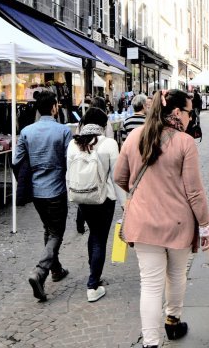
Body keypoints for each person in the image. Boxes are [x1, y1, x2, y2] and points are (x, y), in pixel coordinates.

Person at [114, 89, 209, 348]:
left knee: (150, 284)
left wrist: (143, 195)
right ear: (178, 112)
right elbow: (194, 191)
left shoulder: (135, 136)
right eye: (191, 112)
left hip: (143, 223)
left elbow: (119, 177)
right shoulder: (184, 142)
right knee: (177, 274)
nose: (192, 118)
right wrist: (205, 224)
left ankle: (150, 343)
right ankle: (173, 321)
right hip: (178, 222)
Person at [15, 90, 72, 302]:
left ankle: (56, 269)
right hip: (56, 188)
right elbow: (70, 159)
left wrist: (26, 180)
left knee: (49, 229)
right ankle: (40, 272)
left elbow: (16, 161)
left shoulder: (27, 131)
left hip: (37, 190)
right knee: (56, 232)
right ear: (55, 107)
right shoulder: (63, 130)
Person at [67, 108, 121, 302]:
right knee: (99, 238)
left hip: (82, 197)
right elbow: (117, 179)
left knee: (94, 235)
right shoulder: (109, 144)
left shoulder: (73, 144)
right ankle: (93, 285)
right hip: (104, 199)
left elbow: (68, 174)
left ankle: (94, 274)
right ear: (103, 125)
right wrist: (125, 204)